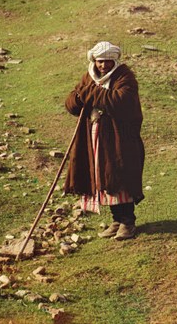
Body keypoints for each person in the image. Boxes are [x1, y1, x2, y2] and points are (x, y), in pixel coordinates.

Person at [63, 41, 145, 241]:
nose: (104, 66)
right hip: (95, 136)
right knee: (103, 178)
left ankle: (128, 222)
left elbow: (121, 101)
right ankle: (116, 220)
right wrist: (79, 97)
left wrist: (89, 92)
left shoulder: (124, 77)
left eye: (108, 61)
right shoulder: (89, 77)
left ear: (114, 60)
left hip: (119, 139)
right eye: (100, 61)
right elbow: (72, 103)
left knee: (119, 175)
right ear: (94, 60)